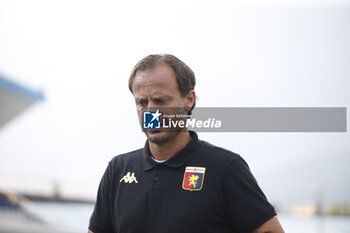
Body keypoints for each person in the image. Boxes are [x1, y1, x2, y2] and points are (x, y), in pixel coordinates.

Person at [88, 54, 284, 233]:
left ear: (189, 100)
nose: (151, 113)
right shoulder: (118, 170)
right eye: (142, 102)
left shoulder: (225, 168)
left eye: (160, 101)